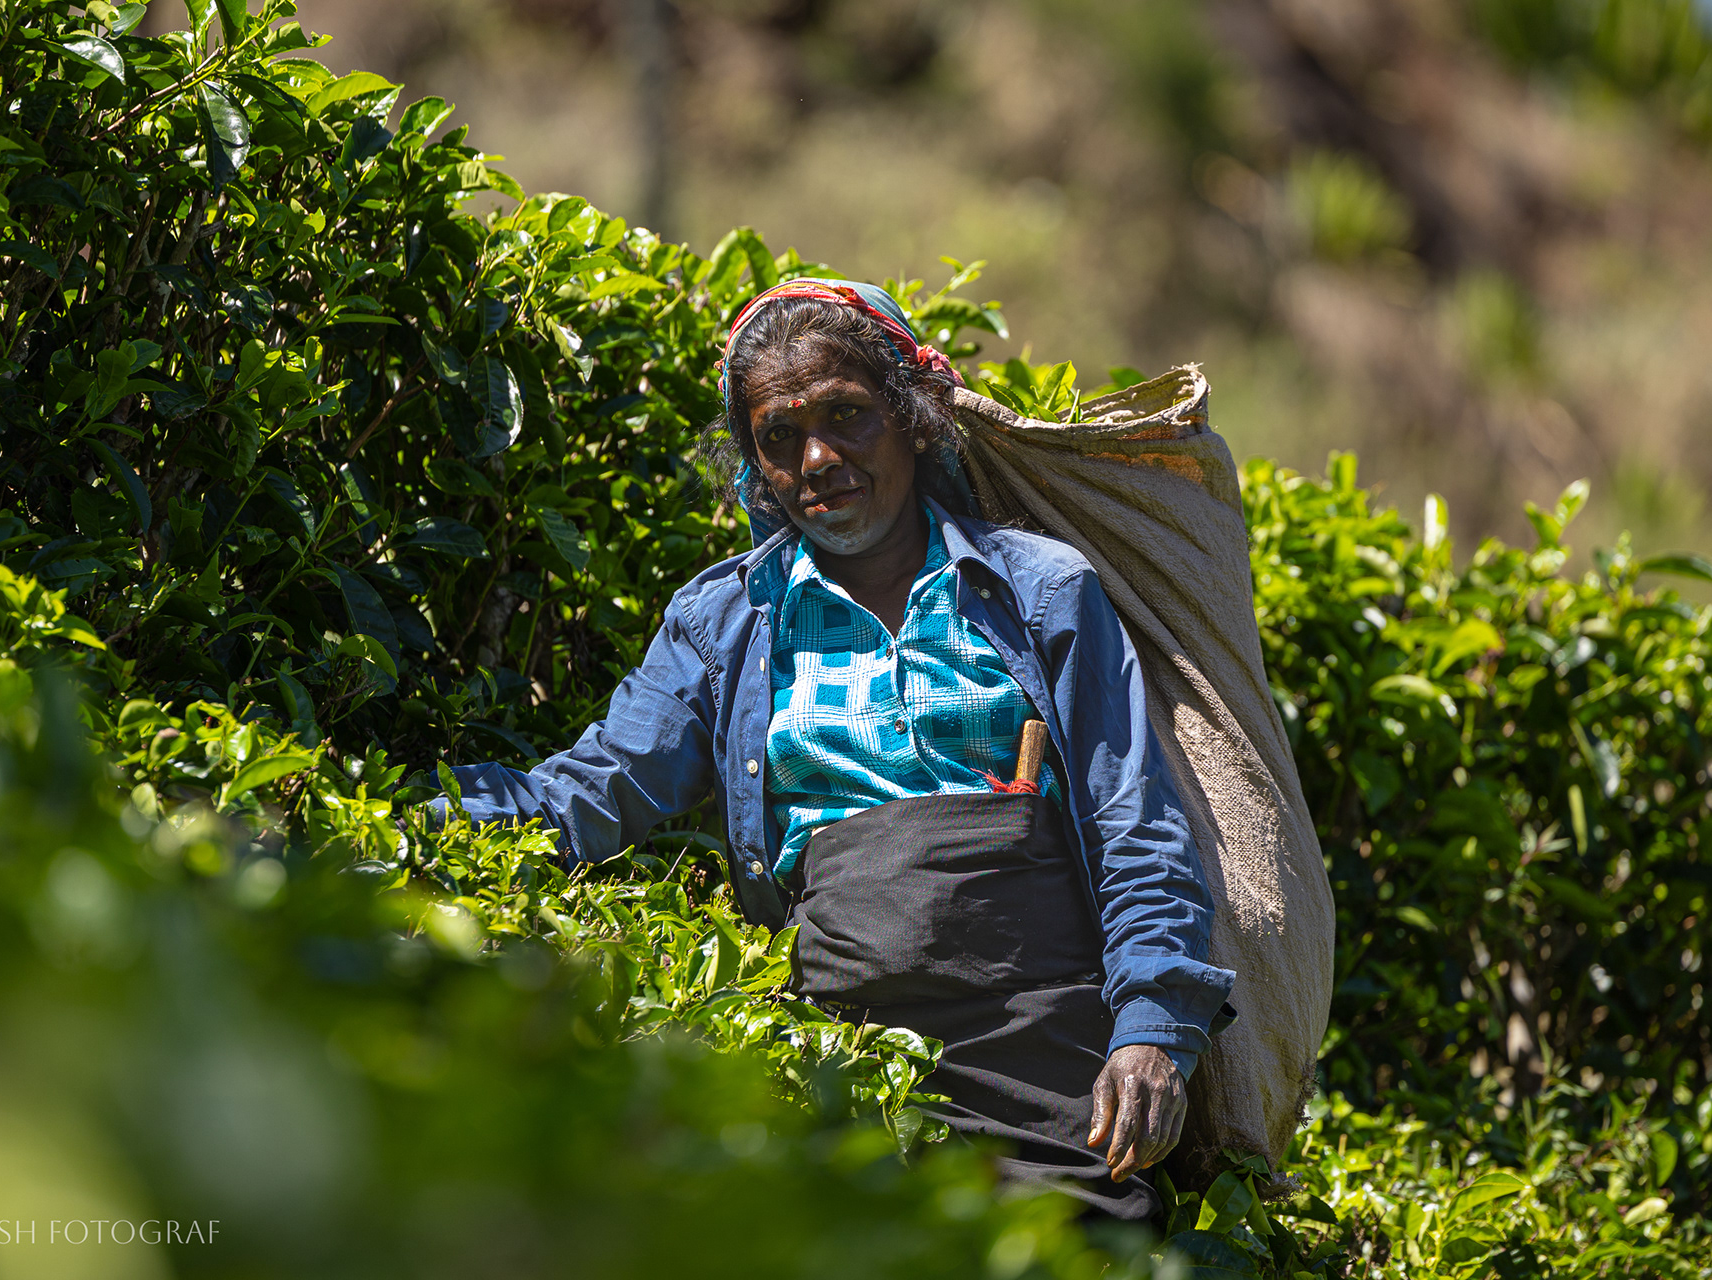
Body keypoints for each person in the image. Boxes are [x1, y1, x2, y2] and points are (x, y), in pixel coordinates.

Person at [440, 278, 1235, 1219]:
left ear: (912, 420)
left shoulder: (1040, 592)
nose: (817, 458)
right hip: (837, 1067)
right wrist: (418, 819)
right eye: (779, 436)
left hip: (1046, 1063)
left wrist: (1153, 1031)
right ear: (756, 465)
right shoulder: (724, 622)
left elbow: (1132, 825)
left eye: (847, 416)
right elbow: (598, 787)